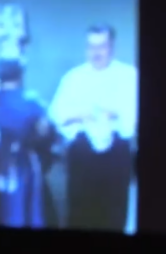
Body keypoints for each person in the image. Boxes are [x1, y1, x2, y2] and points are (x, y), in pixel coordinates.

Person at [48, 25, 138, 231]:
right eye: (91, 47)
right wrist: (81, 114)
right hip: (82, 152)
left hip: (117, 152)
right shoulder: (73, 77)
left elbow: (136, 112)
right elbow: (56, 113)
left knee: (114, 211)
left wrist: (112, 112)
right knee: (81, 212)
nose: (96, 53)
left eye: (102, 46)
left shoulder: (129, 75)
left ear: (112, 47)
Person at [0, 58, 58, 228]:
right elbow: (47, 132)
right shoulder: (32, 100)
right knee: (28, 211)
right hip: (25, 163)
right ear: (20, 75)